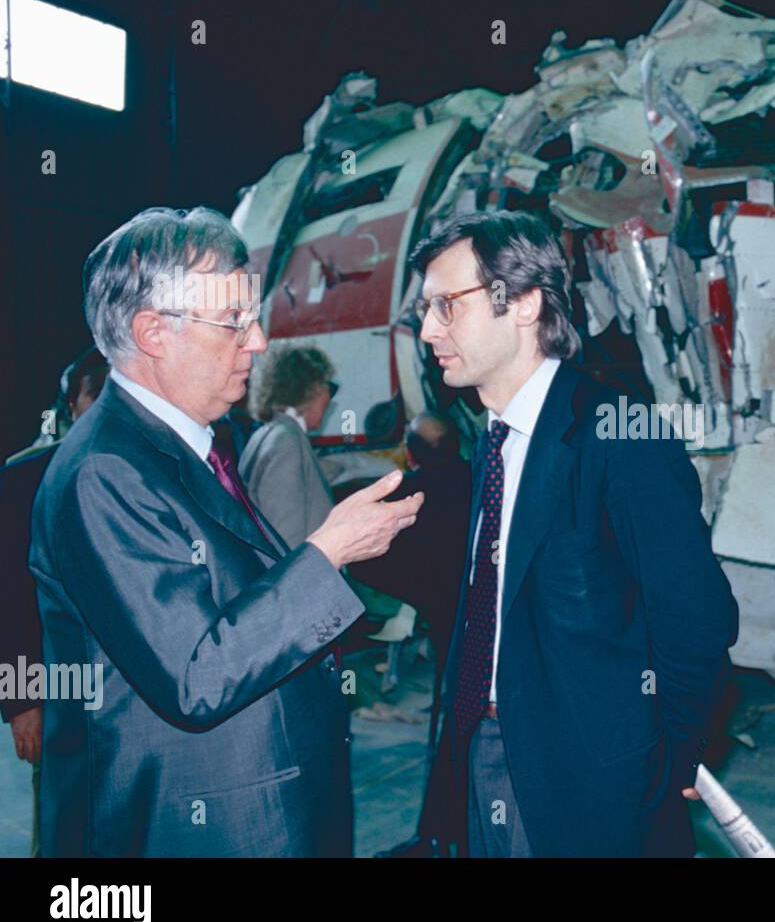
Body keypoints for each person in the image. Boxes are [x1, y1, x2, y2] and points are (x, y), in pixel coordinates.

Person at [28, 206, 423, 857]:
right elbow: (196, 673)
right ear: (153, 331)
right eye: (234, 321)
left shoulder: (187, 451)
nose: (260, 340)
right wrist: (327, 551)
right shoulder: (105, 470)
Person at [412, 210, 738, 857]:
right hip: (486, 751)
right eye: (425, 310)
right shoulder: (492, 442)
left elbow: (695, 621)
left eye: (447, 305)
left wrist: (667, 763)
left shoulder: (620, 434)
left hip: (595, 778)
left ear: (526, 302)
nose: (428, 330)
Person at [0, 347, 109, 857]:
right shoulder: (25, 477)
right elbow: (12, 597)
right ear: (72, 402)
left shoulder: (152, 472)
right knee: (62, 831)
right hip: (61, 689)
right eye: (98, 394)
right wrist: (23, 701)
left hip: (136, 697)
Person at [353, 412, 472, 858]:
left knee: (451, 728)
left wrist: (421, 596)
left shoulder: (407, 494)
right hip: (483, 622)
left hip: (443, 620)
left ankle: (438, 835)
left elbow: (365, 560)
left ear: (410, 451)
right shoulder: (482, 480)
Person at [239, 346, 338, 547]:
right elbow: (287, 542)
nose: (330, 396)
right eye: (329, 386)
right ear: (314, 389)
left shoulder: (264, 435)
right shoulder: (287, 442)